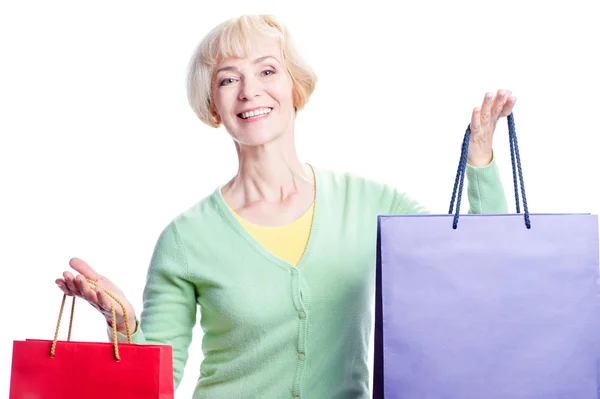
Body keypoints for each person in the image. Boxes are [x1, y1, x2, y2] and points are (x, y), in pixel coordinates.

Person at [56, 14, 514, 398]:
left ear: (296, 87)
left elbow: (475, 268)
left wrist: (481, 161)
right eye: (228, 78)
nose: (249, 90)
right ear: (213, 105)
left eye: (267, 70)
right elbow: (154, 388)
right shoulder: (185, 239)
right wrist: (124, 326)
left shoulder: (373, 204)